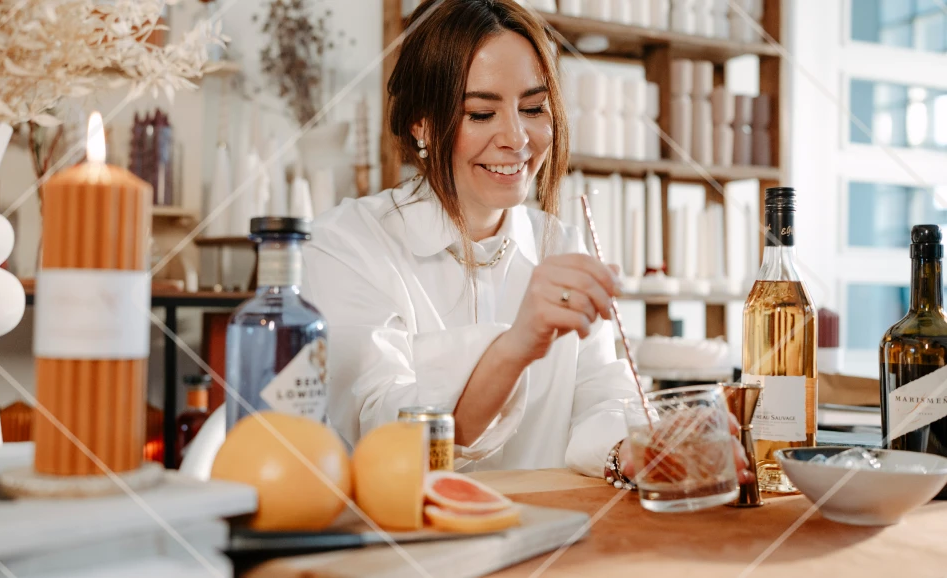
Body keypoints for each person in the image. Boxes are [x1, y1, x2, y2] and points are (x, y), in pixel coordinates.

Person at [301, 0, 751, 483]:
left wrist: (640, 447)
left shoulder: (563, 244)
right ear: (422, 125)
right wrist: (516, 345)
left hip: (552, 541)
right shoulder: (345, 245)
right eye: (480, 113)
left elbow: (598, 397)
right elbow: (386, 430)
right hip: (408, 547)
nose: (516, 137)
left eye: (534, 108)